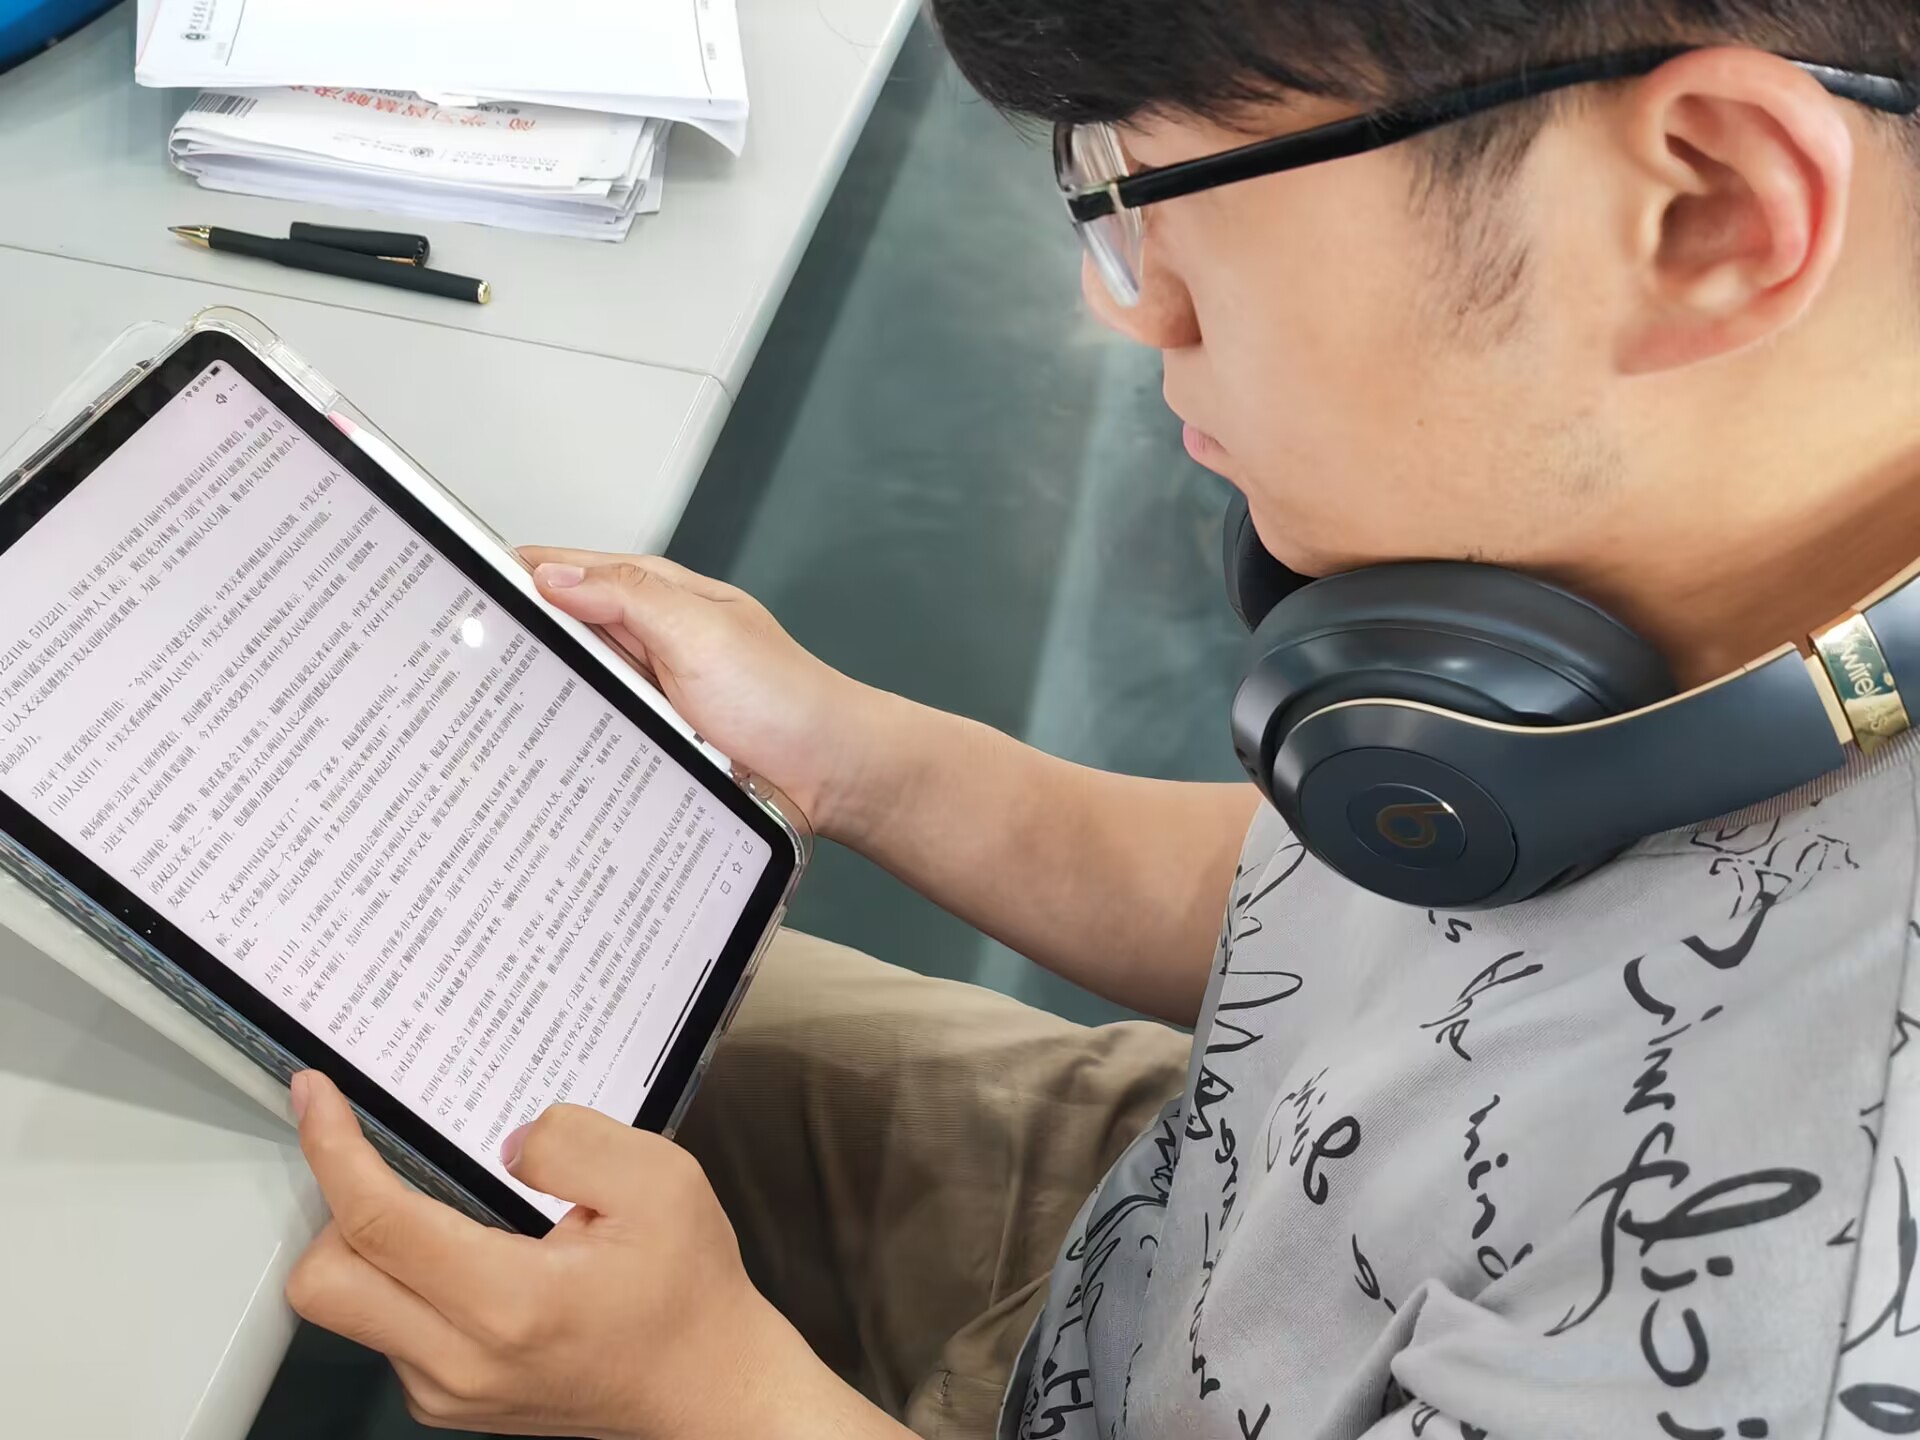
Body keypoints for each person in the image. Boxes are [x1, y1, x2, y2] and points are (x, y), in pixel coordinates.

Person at [279, 1, 1920, 1436]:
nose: (1123, 304)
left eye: (1162, 201)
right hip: (1177, 1204)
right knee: (398, 1009)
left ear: (1707, 208)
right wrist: (855, 752)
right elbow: (1308, 925)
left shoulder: (1803, 1321)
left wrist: (700, 1397)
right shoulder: (1682, 619)